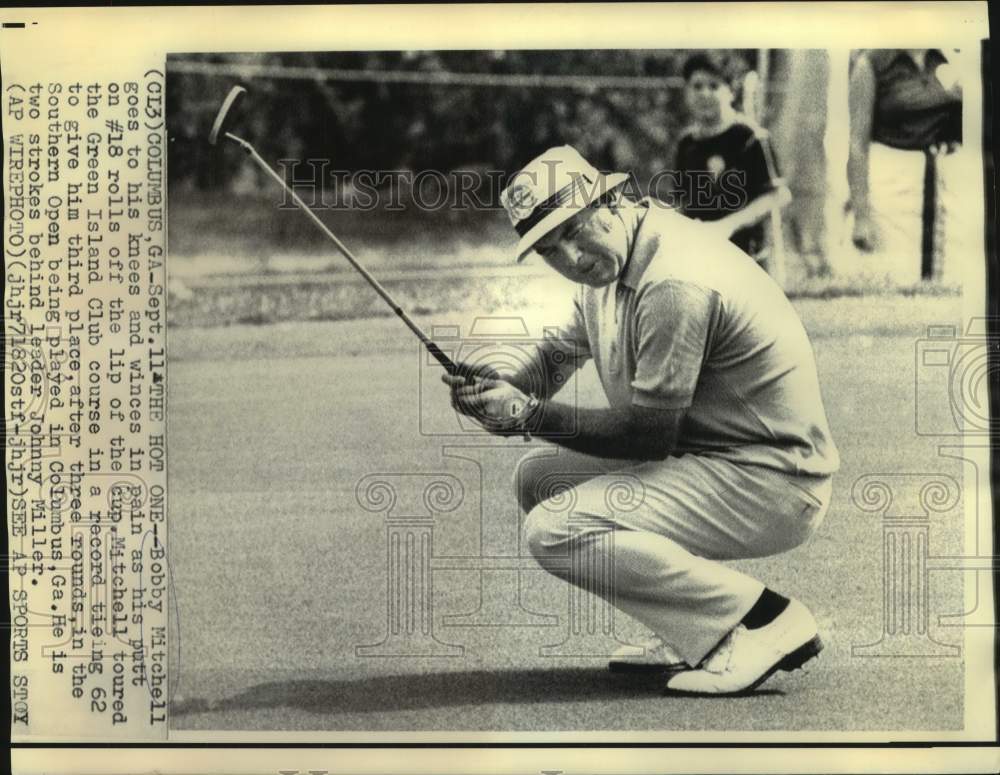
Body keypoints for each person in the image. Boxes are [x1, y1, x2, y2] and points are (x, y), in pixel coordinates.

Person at [442, 145, 839, 696]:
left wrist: (528, 414)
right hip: (715, 459)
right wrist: (496, 390)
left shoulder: (674, 281)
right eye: (552, 249)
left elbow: (649, 436)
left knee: (554, 530)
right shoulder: (610, 268)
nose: (574, 257)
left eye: (577, 230)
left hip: (773, 480)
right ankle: (694, 630)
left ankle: (760, 620)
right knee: (539, 479)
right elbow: (551, 364)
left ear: (614, 199)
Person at [847, 49, 962, 282]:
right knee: (893, 276)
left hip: (945, 178)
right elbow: (858, 144)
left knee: (948, 279)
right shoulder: (871, 63)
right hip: (891, 183)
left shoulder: (950, 55)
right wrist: (861, 217)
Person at [670, 52, 791, 265]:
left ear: (731, 92)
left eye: (714, 86)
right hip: (701, 257)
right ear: (686, 92)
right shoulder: (686, 144)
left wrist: (727, 225)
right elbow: (682, 203)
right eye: (697, 86)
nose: (705, 94)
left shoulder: (750, 137)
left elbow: (778, 195)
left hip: (747, 258)